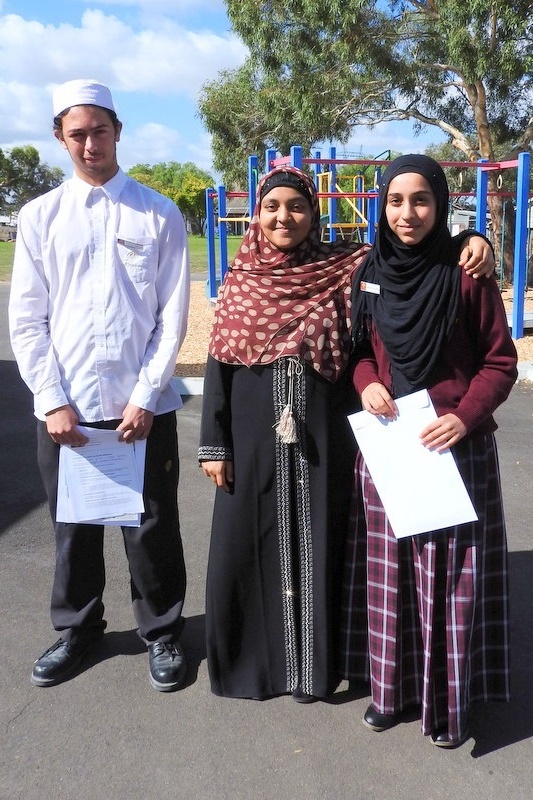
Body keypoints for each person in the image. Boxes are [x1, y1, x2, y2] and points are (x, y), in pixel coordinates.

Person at [198, 164, 495, 702]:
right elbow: (218, 367)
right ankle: (252, 667)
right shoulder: (239, 281)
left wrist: (476, 239)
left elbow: (405, 252)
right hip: (252, 438)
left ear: (313, 215)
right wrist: (214, 446)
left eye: (296, 206)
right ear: (257, 214)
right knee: (247, 547)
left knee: (325, 546)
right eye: (272, 207)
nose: (283, 217)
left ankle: (320, 667)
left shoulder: (344, 268)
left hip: (324, 440)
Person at [9, 79, 190, 692]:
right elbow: (28, 318)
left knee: (152, 527)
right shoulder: (39, 218)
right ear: (61, 138)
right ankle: (78, 629)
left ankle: (163, 632)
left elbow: (171, 318)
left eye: (100, 130)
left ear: (119, 131)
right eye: (77, 133)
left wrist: (145, 394)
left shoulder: (158, 213)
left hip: (143, 408)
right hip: (68, 412)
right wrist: (51, 399)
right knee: (73, 527)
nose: (91, 143)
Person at [340, 154, 517, 747]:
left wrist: (463, 419)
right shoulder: (373, 270)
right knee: (393, 576)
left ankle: (449, 701)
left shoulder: (468, 273)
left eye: (420, 200)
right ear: (381, 206)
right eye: (395, 200)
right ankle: (391, 694)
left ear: (440, 203)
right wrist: (366, 381)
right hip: (392, 452)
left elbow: (500, 362)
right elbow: (362, 347)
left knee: (452, 579)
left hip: (455, 450)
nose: (407, 214)